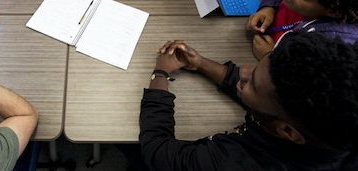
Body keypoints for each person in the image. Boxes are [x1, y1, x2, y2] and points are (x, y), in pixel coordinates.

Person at [140, 32, 358, 170]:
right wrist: (201, 64)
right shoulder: (331, 125)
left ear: (287, 131)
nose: (242, 73)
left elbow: (159, 152)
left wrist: (160, 74)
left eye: (251, 84)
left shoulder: (234, 162)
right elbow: (272, 95)